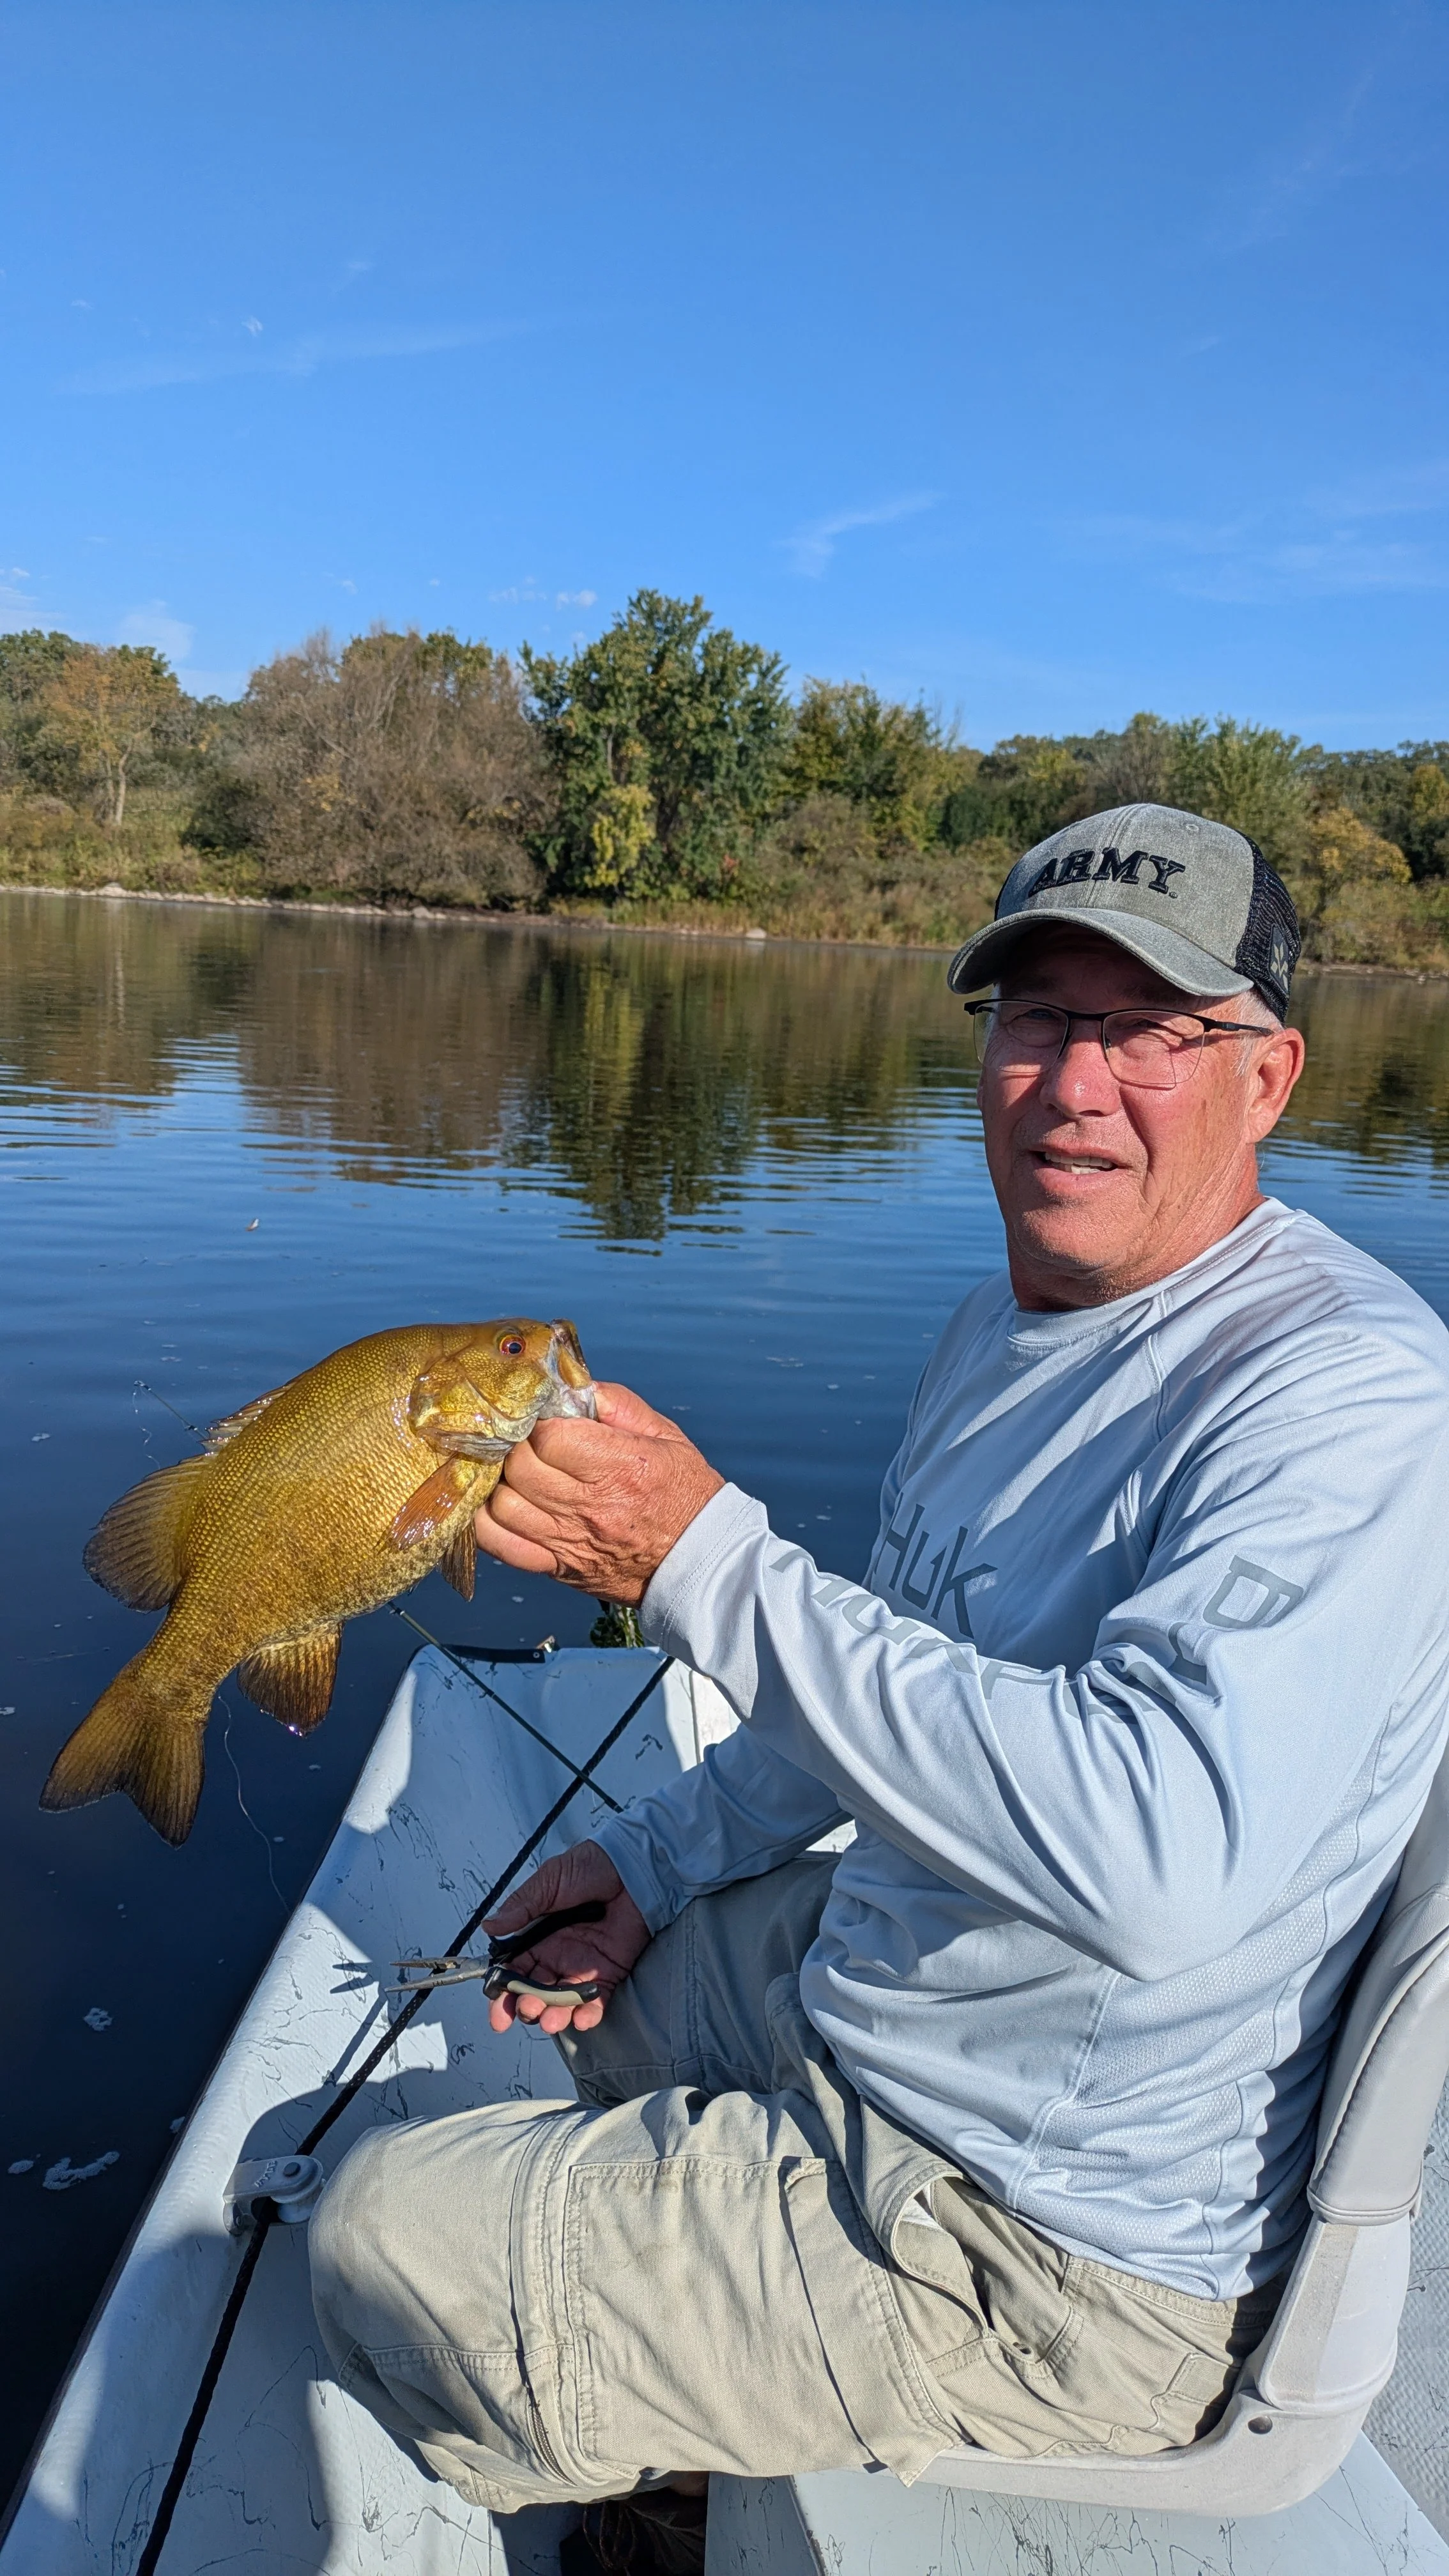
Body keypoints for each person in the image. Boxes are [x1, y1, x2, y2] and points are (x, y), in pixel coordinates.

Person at [310, 804, 1449, 2566]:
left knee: (378, 2232)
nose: (1076, 1086)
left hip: (1059, 2245)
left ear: (1269, 1076)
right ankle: (697, 2375)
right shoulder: (1007, 1319)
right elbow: (908, 1645)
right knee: (580, 1993)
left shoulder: (1345, 1402)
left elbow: (1159, 1869)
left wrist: (698, 1562)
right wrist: (665, 1860)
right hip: (899, 2013)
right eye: (1034, 1018)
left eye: (1151, 1030)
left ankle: (660, 2478)